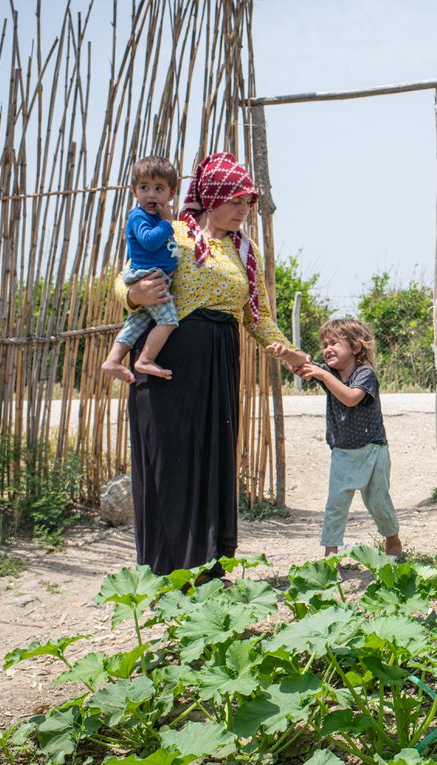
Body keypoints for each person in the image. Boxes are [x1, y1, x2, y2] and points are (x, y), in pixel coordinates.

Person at [115, 151, 301, 577]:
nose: (243, 210)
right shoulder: (172, 233)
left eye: (248, 202)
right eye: (235, 200)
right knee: (171, 464)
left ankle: (209, 572)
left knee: (211, 465)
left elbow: (257, 317)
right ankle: (167, 573)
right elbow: (124, 279)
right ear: (212, 197)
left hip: (218, 367)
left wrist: (286, 352)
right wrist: (134, 296)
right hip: (169, 366)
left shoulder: (244, 251)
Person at [270, 320, 403, 559]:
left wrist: (322, 374)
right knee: (336, 507)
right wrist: (287, 353)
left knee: (378, 502)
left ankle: (393, 541)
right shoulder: (329, 373)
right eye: (325, 344)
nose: (328, 348)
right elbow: (302, 362)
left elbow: (351, 398)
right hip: (342, 452)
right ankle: (330, 555)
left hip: (373, 451)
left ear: (355, 348)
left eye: (334, 343)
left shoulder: (365, 373)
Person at [102, 156, 182, 383]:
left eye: (159, 189)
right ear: (134, 190)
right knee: (168, 322)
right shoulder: (139, 216)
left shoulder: (158, 219)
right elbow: (148, 241)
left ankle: (113, 360)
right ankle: (145, 359)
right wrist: (167, 224)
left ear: (171, 194)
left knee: (137, 322)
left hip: (153, 276)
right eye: (144, 187)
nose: (151, 195)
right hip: (146, 275)